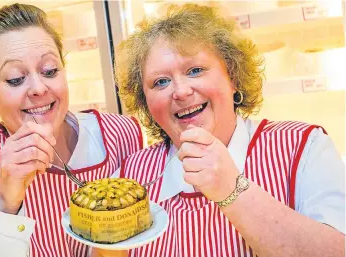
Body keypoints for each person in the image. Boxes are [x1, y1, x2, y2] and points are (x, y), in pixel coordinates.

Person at [113, 3, 345, 257]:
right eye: (161, 82)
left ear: (232, 76)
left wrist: (231, 189)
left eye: (195, 70)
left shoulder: (302, 147)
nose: (180, 91)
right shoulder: (129, 179)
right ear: (145, 102)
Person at [0, 3, 143, 257]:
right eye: (15, 79)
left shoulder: (120, 135)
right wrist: (5, 200)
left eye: (50, 71)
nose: (38, 88)